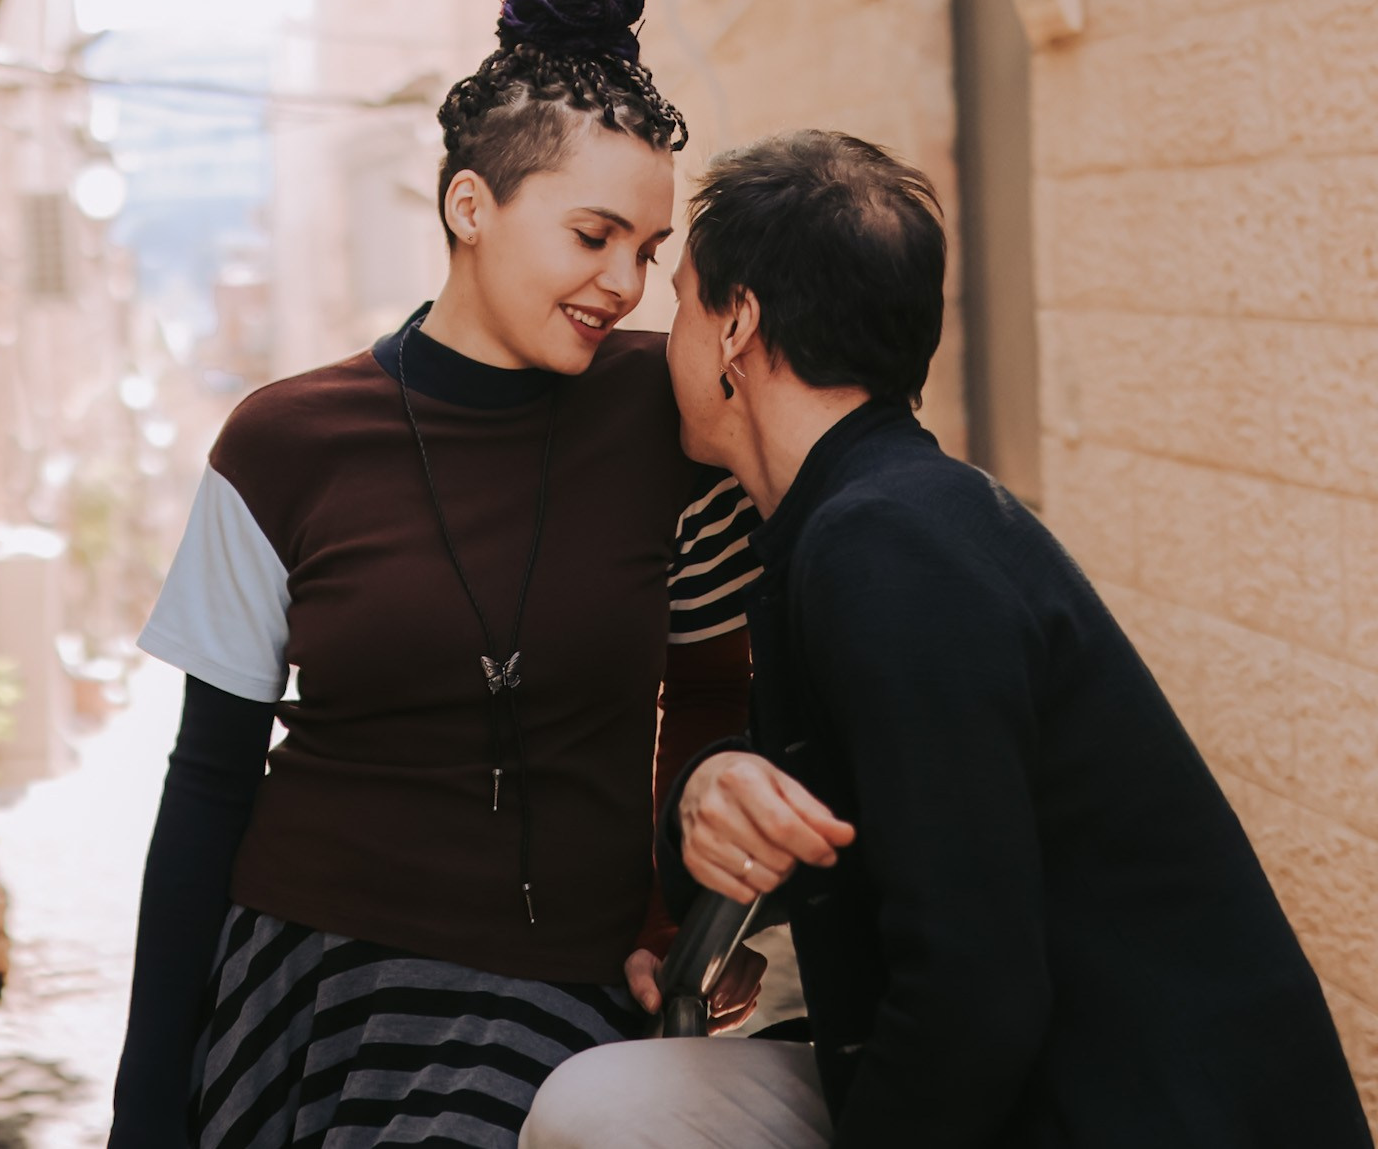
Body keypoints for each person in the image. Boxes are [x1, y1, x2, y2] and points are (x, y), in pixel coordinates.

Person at [520, 129, 1374, 1149]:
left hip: (1134, 1111)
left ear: (736, 326)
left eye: (682, 301)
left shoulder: (887, 551)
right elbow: (835, 823)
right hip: (1011, 1079)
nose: (662, 341)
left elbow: (975, 988)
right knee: (604, 1105)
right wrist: (700, 797)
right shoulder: (869, 519)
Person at [107, 0, 767, 1149]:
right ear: (470, 205)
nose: (623, 282)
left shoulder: (669, 422)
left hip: (560, 1000)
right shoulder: (280, 442)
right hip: (306, 991)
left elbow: (713, 692)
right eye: (590, 236)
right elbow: (206, 780)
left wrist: (677, 920)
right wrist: (147, 1103)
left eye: (647, 248)